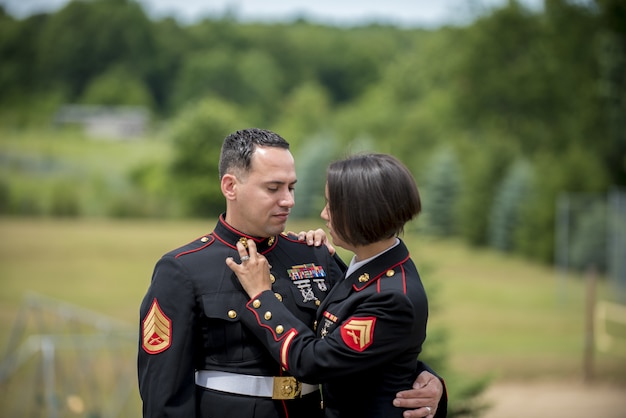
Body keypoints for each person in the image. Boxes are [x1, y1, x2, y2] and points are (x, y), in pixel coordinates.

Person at [138, 128, 446, 418]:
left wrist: (424, 378)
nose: (289, 201)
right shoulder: (183, 268)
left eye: (291, 187)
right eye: (273, 188)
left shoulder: (312, 254)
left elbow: (364, 337)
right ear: (230, 186)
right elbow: (164, 392)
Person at [227, 152, 442, 418]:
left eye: (332, 205)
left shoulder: (390, 297)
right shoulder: (370, 269)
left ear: (361, 213)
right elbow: (378, 353)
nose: (323, 214)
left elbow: (313, 362)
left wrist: (262, 295)